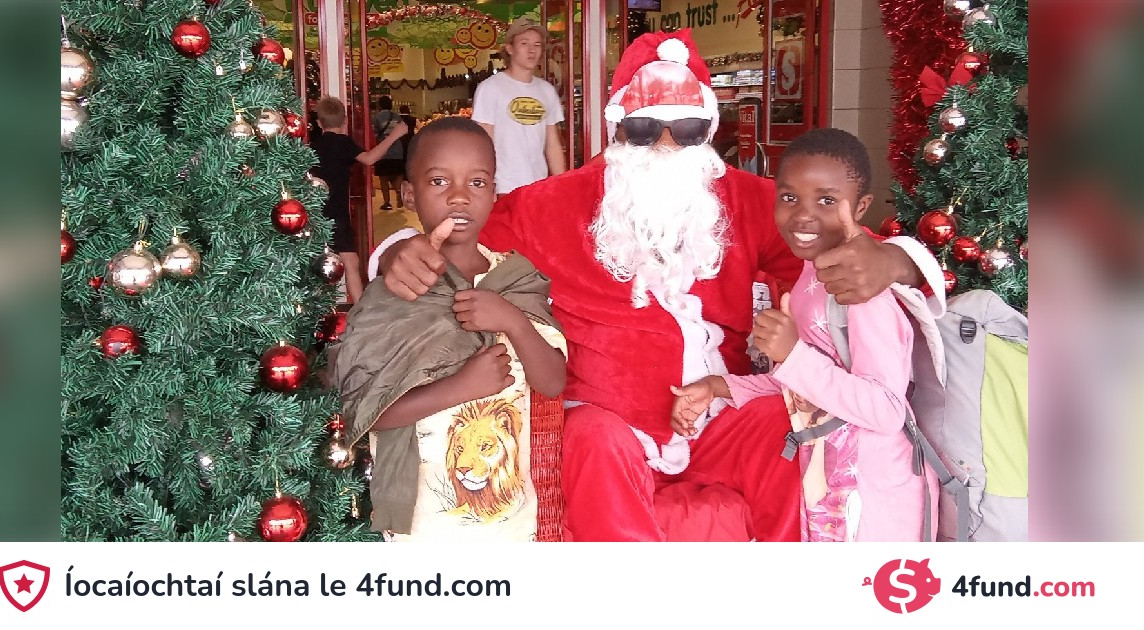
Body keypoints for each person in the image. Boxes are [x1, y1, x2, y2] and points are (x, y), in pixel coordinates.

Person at [370, 30, 945, 542]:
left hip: (719, 414)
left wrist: (899, 260)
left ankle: (784, 590)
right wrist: (396, 249)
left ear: (708, 130)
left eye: (687, 129)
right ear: (618, 128)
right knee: (591, 439)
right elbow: (463, 225)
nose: (667, 144)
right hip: (612, 421)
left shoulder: (748, 199)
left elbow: (838, 236)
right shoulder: (556, 203)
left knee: (781, 425)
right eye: (645, 129)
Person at [670, 128, 939, 541]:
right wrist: (720, 386)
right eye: (789, 197)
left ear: (861, 206)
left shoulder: (859, 291)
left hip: (875, 500)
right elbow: (805, 386)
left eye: (826, 200)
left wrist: (793, 353)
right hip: (831, 487)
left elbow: (886, 410)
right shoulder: (809, 277)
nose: (802, 215)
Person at [331, 117, 567, 541]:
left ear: (494, 193)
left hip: (511, 523)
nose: (459, 196)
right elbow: (365, 412)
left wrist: (512, 320)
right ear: (409, 194)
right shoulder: (395, 291)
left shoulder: (515, 279)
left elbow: (552, 381)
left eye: (477, 182)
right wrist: (461, 387)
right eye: (439, 181)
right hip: (425, 527)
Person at [310, 96, 407, 303]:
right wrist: (395, 135)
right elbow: (370, 158)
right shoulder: (343, 143)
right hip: (337, 214)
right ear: (345, 121)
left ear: (319, 123)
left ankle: (319, 310)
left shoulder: (313, 146)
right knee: (351, 263)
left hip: (315, 213)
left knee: (319, 263)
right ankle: (360, 311)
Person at [471, 17, 566, 196]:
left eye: (537, 45)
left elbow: (552, 144)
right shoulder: (491, 87)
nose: (532, 50)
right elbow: (483, 142)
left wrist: (563, 186)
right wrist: (486, 188)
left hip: (539, 187)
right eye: (524, 43)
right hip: (504, 188)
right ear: (509, 48)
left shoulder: (546, 90)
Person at [371, 96, 405, 210]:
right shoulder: (397, 117)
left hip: (383, 150)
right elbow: (403, 131)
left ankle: (387, 202)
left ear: (380, 105)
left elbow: (374, 134)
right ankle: (399, 192)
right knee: (397, 174)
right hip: (398, 150)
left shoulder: (377, 117)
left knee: (384, 178)